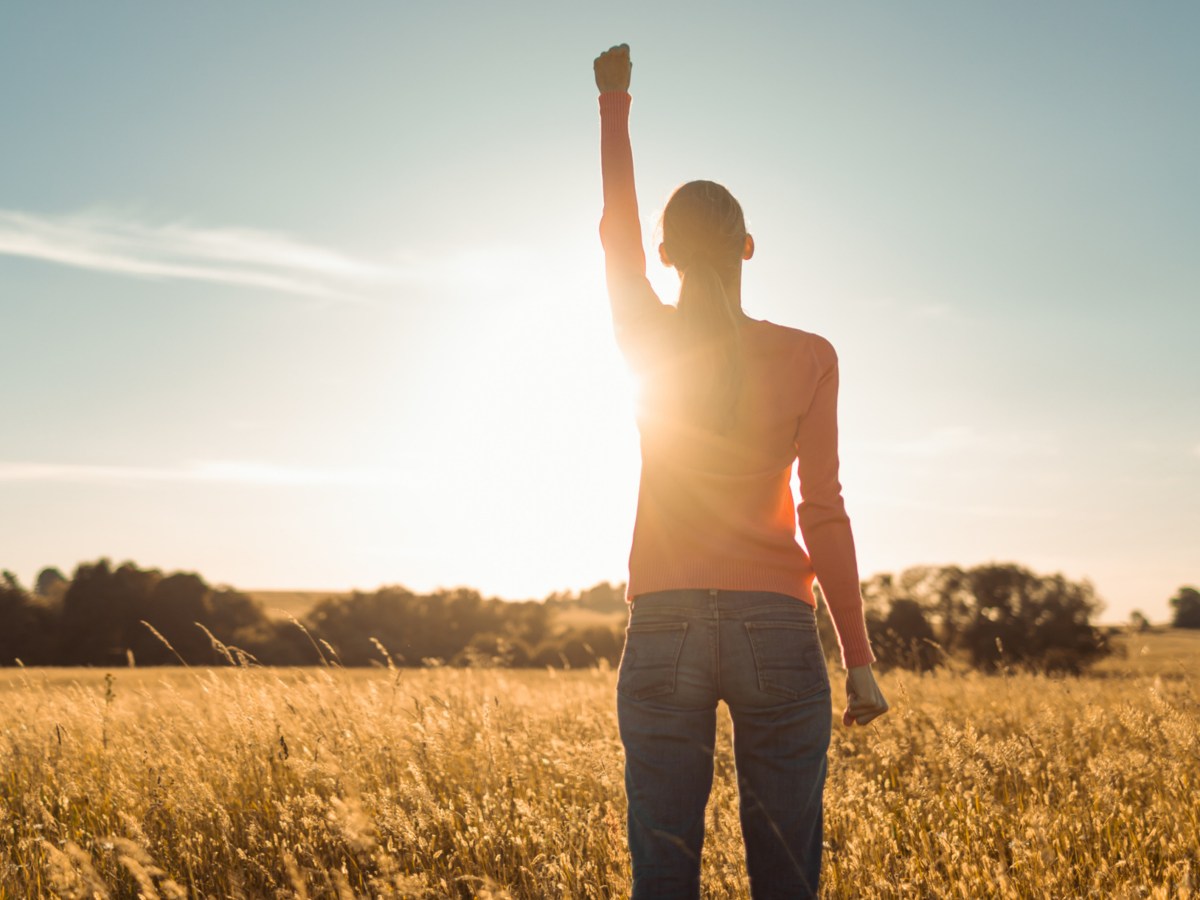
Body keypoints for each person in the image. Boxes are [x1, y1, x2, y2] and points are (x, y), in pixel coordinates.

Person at [593, 43, 890, 899]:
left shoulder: (645, 334)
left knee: (663, 873)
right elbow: (822, 509)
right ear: (750, 247)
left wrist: (616, 103)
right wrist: (859, 660)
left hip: (665, 625)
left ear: (668, 253)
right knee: (788, 877)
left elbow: (615, 230)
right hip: (777, 628)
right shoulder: (810, 356)